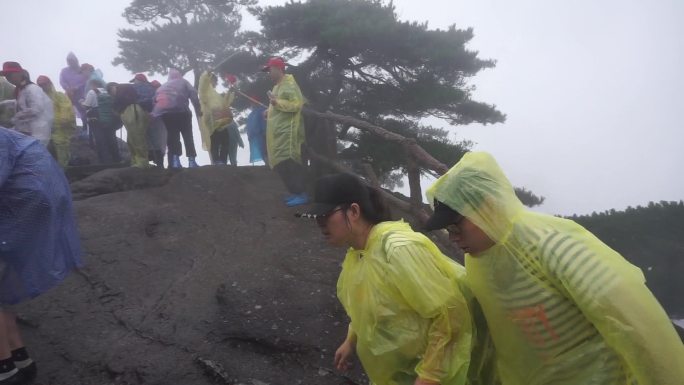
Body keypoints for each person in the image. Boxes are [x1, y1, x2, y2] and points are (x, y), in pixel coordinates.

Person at [424, 151, 684, 385]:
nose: (453, 236)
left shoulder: (551, 244)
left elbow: (635, 324)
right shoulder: (480, 263)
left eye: (456, 225)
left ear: (488, 207)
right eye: (448, 230)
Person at [297, 173, 497, 385]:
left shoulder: (397, 250)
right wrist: (351, 339)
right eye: (315, 217)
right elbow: (368, 305)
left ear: (354, 211)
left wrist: (430, 375)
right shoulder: (358, 255)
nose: (319, 223)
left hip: (440, 373)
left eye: (325, 215)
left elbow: (451, 315)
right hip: (405, 372)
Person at [0, 127, 82, 384]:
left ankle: (5, 367)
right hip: (44, 191)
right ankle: (20, 357)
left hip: (27, 198)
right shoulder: (7, 136)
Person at [262, 57, 308, 206]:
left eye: (270, 69)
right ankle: (294, 192)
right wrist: (268, 111)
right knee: (280, 163)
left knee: (289, 163)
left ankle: (301, 193)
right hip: (278, 132)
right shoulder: (277, 86)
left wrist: (277, 103)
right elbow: (277, 105)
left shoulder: (289, 84)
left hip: (288, 131)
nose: (269, 73)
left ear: (278, 68)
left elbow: (296, 104)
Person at [151, 69, 202, 169]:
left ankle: (175, 162)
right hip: (183, 113)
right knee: (187, 136)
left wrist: (156, 115)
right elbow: (193, 94)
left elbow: (154, 101)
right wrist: (198, 109)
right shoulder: (184, 82)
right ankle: (192, 161)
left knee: (173, 137)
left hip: (167, 115)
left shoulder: (162, 87)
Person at [0, 62, 53, 146]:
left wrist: (16, 118)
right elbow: (21, 103)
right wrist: (4, 104)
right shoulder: (21, 89)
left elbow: (36, 109)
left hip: (37, 133)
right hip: (26, 132)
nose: (8, 78)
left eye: (10, 74)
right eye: (6, 76)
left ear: (19, 73)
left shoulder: (32, 89)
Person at [198, 71, 242, 166]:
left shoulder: (215, 94)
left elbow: (224, 103)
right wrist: (207, 74)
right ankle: (217, 161)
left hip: (221, 121)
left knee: (225, 142)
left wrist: (230, 92)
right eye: (214, 81)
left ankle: (223, 161)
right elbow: (202, 84)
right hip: (212, 121)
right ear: (210, 80)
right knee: (215, 143)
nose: (215, 83)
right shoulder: (204, 92)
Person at [106, 82, 149, 168]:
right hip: (131, 111)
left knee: (136, 137)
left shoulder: (119, 89)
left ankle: (142, 161)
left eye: (110, 91)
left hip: (132, 111)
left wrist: (115, 108)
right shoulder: (125, 89)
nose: (112, 94)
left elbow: (119, 101)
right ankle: (137, 160)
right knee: (132, 138)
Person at [36, 75, 76, 168]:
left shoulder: (59, 95)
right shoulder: (40, 98)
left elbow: (65, 106)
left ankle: (63, 172)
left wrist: (64, 119)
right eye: (40, 85)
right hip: (47, 130)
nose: (43, 86)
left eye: (44, 84)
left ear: (49, 83)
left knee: (62, 150)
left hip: (60, 129)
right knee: (50, 151)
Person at [82, 79, 121, 165]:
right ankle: (117, 159)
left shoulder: (92, 92)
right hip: (109, 118)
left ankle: (105, 161)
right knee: (111, 138)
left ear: (93, 84)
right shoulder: (107, 92)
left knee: (100, 140)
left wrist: (81, 102)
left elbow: (87, 106)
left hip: (95, 118)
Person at [58, 52, 88, 136]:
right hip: (69, 94)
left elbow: (86, 81)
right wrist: (67, 88)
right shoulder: (64, 71)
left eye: (72, 60)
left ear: (76, 60)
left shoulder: (81, 70)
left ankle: (85, 128)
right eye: (69, 61)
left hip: (80, 94)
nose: (71, 62)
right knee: (68, 110)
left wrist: (77, 87)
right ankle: (71, 128)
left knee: (82, 111)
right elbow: (62, 81)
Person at [146, 80, 167, 168]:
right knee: (159, 143)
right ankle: (159, 163)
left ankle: (157, 162)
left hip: (154, 122)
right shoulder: (163, 95)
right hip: (160, 123)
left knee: (154, 142)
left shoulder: (153, 96)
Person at [245, 96, 267, 164]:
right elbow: (249, 125)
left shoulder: (263, 110)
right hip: (256, 137)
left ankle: (270, 165)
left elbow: (264, 122)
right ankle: (267, 164)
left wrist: (264, 132)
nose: (252, 104)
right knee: (262, 151)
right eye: (251, 103)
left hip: (263, 135)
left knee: (266, 151)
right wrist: (249, 135)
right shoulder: (251, 114)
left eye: (253, 102)